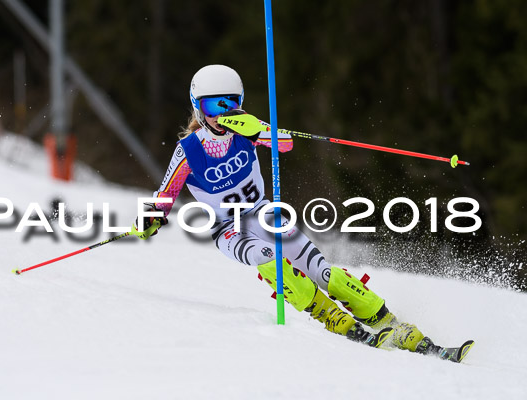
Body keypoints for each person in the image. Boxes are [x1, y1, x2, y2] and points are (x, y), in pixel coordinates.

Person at [133, 64, 445, 354]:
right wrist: (152, 217)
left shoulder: (246, 129)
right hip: (228, 230)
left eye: (229, 103)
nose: (221, 114)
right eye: (213, 106)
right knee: (268, 259)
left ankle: (386, 320)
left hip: (264, 214)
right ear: (198, 108)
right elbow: (166, 193)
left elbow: (285, 143)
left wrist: (257, 131)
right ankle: (331, 316)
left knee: (321, 270)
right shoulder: (188, 150)